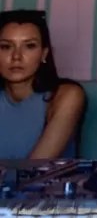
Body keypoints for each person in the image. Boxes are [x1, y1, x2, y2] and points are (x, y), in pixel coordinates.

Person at [0, 9, 86, 159]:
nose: (16, 57)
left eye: (29, 46)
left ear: (44, 54)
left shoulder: (65, 96)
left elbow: (35, 167)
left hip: (37, 175)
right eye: (6, 47)